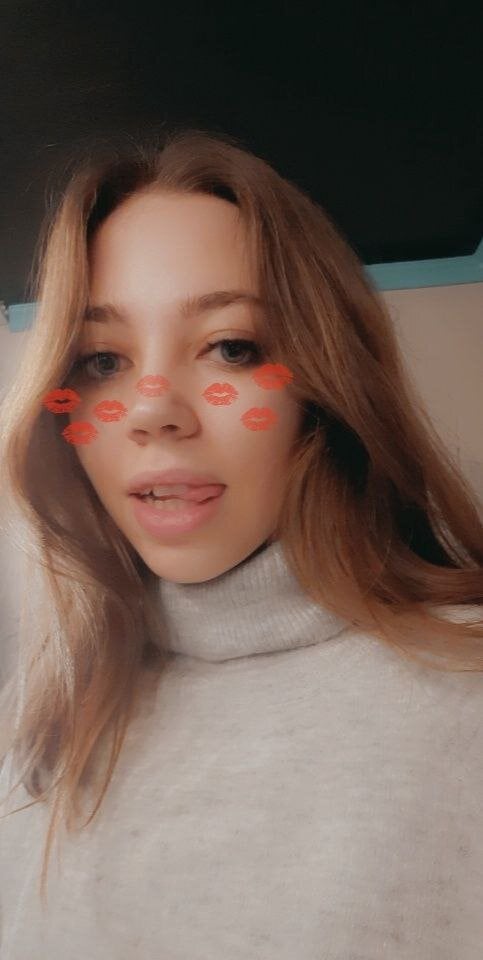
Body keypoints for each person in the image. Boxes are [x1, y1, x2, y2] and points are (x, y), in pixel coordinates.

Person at [0, 124, 482, 959]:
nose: (153, 409)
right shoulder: (47, 711)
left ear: (322, 387)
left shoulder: (462, 699)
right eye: (102, 360)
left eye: (231, 348)